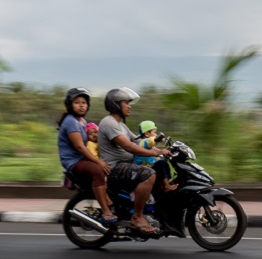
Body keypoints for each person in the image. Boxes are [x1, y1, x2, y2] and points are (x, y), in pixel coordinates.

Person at [97, 87, 173, 234]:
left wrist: (161, 150)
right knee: (148, 174)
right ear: (116, 104)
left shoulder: (121, 125)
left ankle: (151, 210)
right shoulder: (109, 123)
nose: (129, 106)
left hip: (126, 165)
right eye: (126, 103)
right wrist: (153, 152)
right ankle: (137, 216)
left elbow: (138, 141)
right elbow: (129, 147)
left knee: (159, 166)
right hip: (116, 168)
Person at [57, 88, 115, 224]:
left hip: (82, 158)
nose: (82, 105)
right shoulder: (70, 121)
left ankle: (109, 198)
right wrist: (99, 162)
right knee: (98, 170)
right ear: (70, 104)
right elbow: (79, 147)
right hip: (73, 160)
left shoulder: (82, 121)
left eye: (84, 102)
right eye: (77, 102)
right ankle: (106, 210)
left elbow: (93, 139)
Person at [134, 120, 177, 192]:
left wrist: (165, 157)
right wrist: (160, 137)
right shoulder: (141, 142)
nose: (156, 134)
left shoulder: (150, 148)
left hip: (150, 170)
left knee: (163, 163)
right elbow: (151, 141)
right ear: (147, 134)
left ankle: (163, 185)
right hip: (142, 172)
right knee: (160, 164)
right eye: (154, 132)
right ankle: (167, 186)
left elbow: (157, 159)